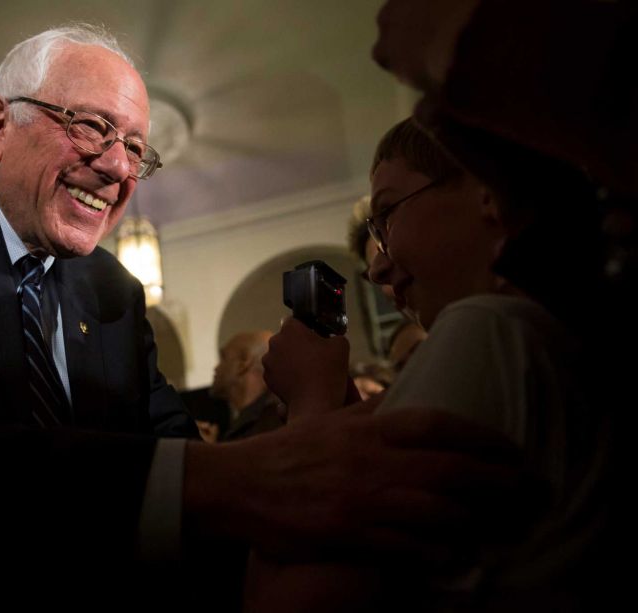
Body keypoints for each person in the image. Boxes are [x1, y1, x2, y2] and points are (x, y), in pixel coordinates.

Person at [0, 24, 536, 611]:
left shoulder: (112, 289)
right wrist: (241, 479)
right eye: (92, 127)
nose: (119, 169)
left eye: (138, 149)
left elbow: (173, 454)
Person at [249, 117, 606, 610]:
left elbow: (302, 601)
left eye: (388, 213)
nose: (377, 267)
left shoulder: (488, 327)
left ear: (488, 191)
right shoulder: (554, 338)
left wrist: (310, 402)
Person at [210, 331, 284, 442]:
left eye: (223, 358)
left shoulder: (272, 423)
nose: (216, 368)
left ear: (243, 363)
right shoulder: (264, 420)